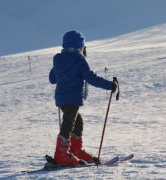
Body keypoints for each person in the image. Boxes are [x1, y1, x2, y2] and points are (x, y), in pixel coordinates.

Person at [49, 30, 117, 165]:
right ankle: (61, 154)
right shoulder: (79, 59)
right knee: (68, 124)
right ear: (80, 45)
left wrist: (60, 68)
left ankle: (75, 150)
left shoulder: (58, 58)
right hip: (72, 98)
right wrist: (110, 85)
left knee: (77, 122)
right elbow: (90, 77)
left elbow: (52, 79)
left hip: (61, 99)